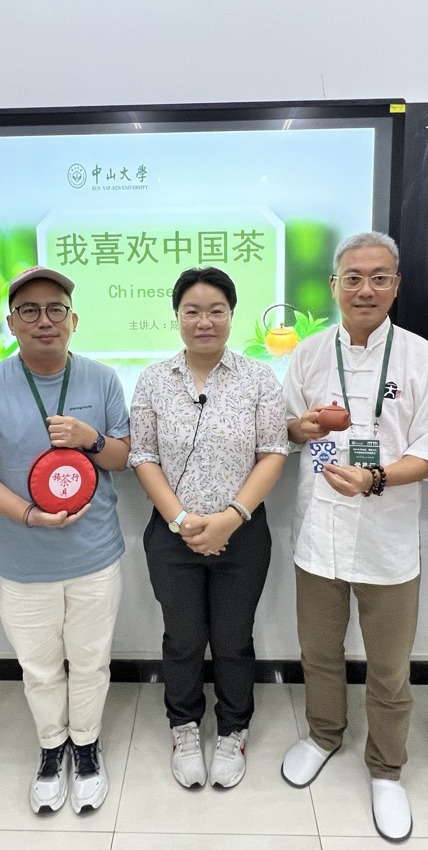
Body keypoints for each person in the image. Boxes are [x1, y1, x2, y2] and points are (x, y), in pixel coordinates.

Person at [278, 232, 428, 842]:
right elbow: (283, 430)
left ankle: (386, 768)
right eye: (352, 277)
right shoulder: (306, 354)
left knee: (388, 667)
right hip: (318, 534)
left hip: (387, 541)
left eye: (379, 277)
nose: (364, 288)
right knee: (320, 652)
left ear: (396, 285)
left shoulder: (421, 359)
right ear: (333, 285)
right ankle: (324, 733)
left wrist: (378, 475)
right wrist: (298, 427)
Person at [0, 265, 130, 816]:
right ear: (11, 322)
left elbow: (124, 456)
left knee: (92, 661)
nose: (43, 320)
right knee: (40, 667)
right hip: (23, 561)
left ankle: (87, 746)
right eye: (29, 310)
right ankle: (52, 750)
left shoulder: (101, 378)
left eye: (55, 309)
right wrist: (28, 514)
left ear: (73, 320)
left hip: (95, 555)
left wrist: (91, 438)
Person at [129, 267, 289, 790]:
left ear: (231, 315)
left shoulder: (259, 377)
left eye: (216, 310)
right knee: (182, 638)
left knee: (232, 638)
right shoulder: (154, 379)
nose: (204, 321)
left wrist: (230, 518)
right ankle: (184, 726)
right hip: (171, 535)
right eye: (192, 311)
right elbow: (144, 456)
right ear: (176, 316)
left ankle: (233, 731)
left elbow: (272, 453)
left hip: (242, 532)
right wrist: (179, 519)